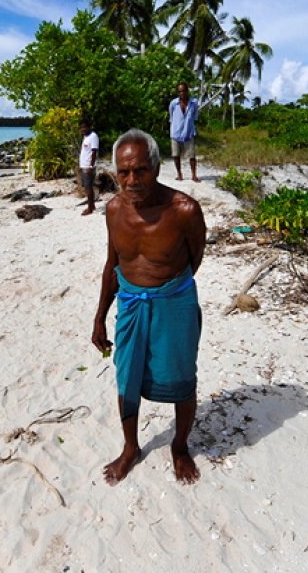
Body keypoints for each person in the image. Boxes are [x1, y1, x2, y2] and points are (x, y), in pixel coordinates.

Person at [91, 129, 206, 486]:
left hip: (174, 303)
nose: (131, 180)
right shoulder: (112, 210)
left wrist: (165, 289)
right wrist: (99, 319)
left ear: (156, 168)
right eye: (123, 172)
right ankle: (130, 448)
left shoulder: (184, 210)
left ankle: (180, 447)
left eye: (140, 170)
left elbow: (194, 259)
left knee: (182, 377)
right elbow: (113, 265)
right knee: (126, 377)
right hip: (129, 304)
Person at [169, 82, 200, 182]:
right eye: (179, 91)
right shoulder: (173, 103)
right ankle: (179, 174)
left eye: (183, 90)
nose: (182, 93)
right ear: (178, 93)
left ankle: (194, 175)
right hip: (175, 132)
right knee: (176, 155)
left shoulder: (194, 102)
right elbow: (172, 117)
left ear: (187, 91)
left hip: (188, 131)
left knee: (192, 156)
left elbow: (195, 116)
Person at [79, 118, 100, 215]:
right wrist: (80, 166)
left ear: (89, 127)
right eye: (81, 127)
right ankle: (92, 205)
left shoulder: (93, 136)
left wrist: (91, 167)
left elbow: (94, 152)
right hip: (84, 165)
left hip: (89, 166)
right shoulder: (86, 137)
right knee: (87, 187)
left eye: (84, 127)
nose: (83, 129)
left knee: (88, 188)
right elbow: (84, 152)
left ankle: (90, 208)